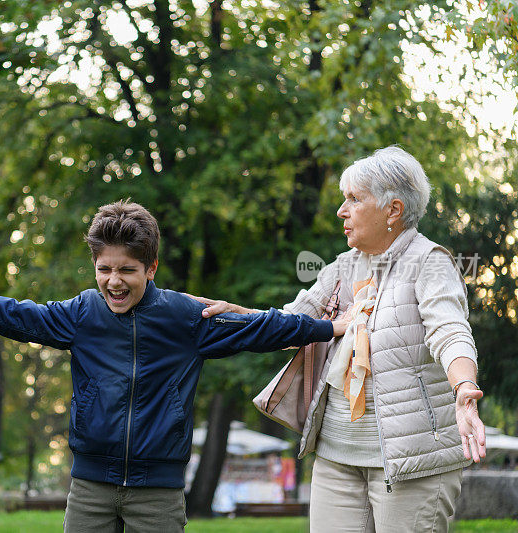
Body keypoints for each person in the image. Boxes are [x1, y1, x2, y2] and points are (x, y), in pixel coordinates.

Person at [0, 200, 349, 532]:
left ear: (151, 268)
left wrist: (329, 329)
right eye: (104, 269)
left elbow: (261, 330)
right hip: (90, 488)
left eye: (128, 271)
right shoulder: (81, 315)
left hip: (158, 493)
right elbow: (12, 314)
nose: (114, 282)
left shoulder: (184, 319)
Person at [198, 146, 485, 532]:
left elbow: (449, 331)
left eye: (354, 199)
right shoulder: (342, 267)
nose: (341, 210)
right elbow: (293, 323)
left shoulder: (430, 262)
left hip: (410, 460)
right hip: (336, 454)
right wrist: (239, 313)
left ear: (393, 210)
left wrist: (464, 386)